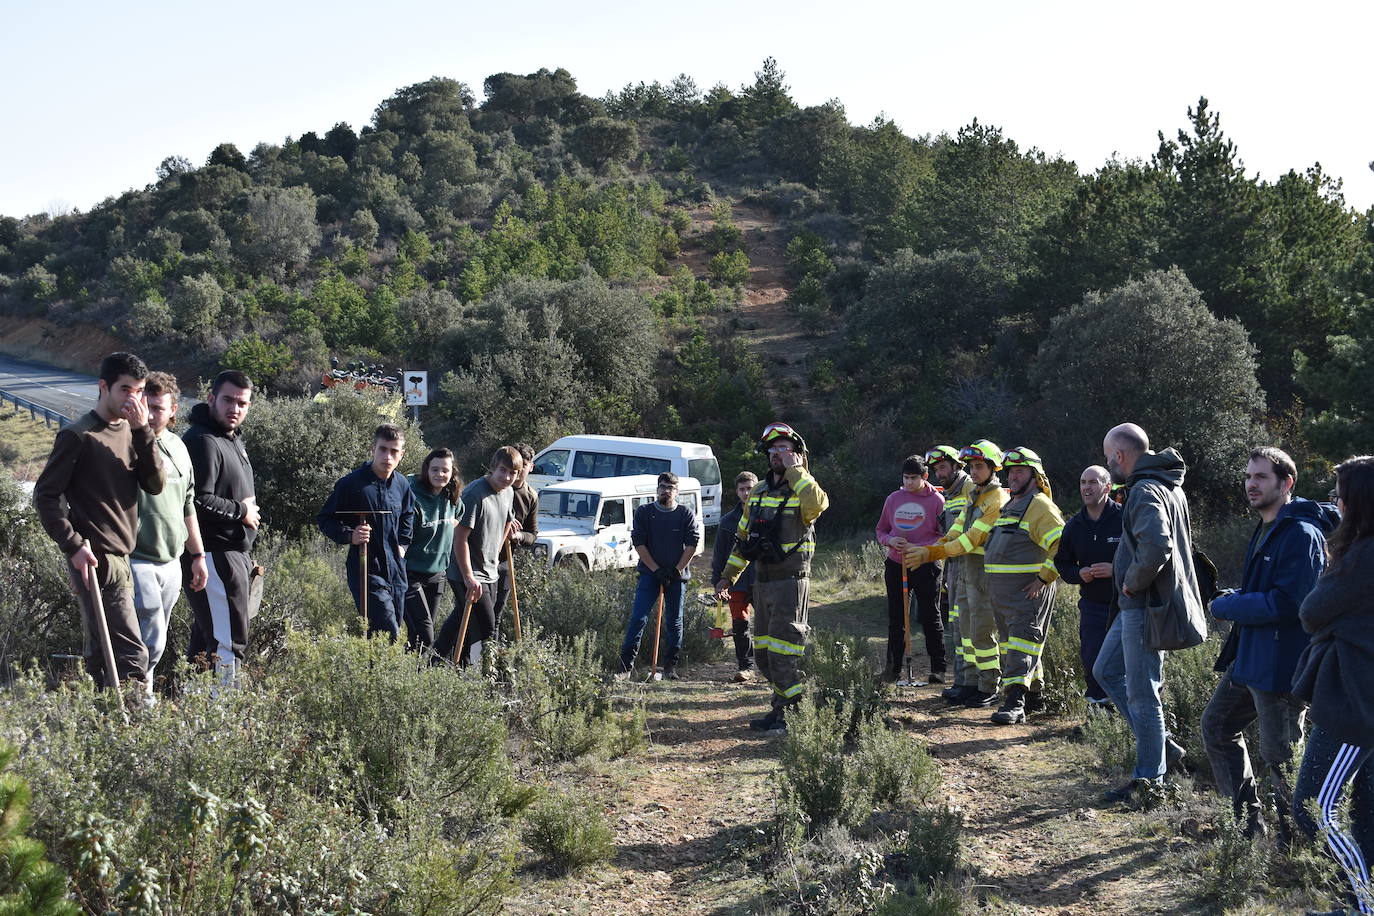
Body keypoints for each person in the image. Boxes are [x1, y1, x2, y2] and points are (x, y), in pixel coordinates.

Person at [1203, 447, 1337, 840]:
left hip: (1281, 667)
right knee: (1217, 726)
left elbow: (1291, 603)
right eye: (1248, 477)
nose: (1251, 484)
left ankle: (1296, 843)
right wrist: (1236, 594)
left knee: (1282, 760)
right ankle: (1247, 828)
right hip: (1251, 660)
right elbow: (1267, 589)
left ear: (1287, 483)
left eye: (1260, 477)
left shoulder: (1300, 533)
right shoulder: (1268, 526)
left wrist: (1229, 606)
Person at [33, 352, 165, 689]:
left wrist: (142, 430)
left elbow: (155, 484)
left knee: (101, 655)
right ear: (103, 386)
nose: (133, 399)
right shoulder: (78, 436)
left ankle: (97, 728)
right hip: (97, 557)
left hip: (125, 554)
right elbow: (45, 497)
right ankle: (133, 731)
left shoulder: (135, 432)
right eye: (125, 390)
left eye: (138, 391)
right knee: (132, 656)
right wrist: (74, 546)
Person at [1094, 422, 1204, 802]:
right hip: (1136, 606)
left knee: (1143, 694)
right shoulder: (1166, 485)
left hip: (1143, 605)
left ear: (1119, 455)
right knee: (1105, 670)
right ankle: (1164, 749)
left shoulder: (1144, 489)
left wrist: (1133, 580)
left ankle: (1148, 782)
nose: (1109, 464)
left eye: (1109, 457)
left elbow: (1157, 545)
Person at [1291, 455, 1374, 914]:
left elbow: (1311, 612)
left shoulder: (1363, 554)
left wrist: (1333, 562)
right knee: (1366, 813)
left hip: (1353, 701)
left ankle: (1362, 907)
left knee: (1313, 809)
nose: (1334, 503)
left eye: (1339, 494)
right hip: (1362, 697)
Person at [716, 422, 830, 736]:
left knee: (785, 654)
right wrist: (727, 577)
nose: (776, 454)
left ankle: (794, 718)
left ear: (797, 454)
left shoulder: (803, 485)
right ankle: (780, 708)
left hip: (790, 583)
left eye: (783, 448)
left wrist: (797, 472)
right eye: (773, 449)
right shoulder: (760, 492)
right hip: (761, 582)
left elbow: (819, 505)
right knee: (765, 656)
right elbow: (743, 539)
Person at [906, 440, 1008, 708]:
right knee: (965, 631)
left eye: (978, 467)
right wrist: (928, 549)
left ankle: (989, 687)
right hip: (964, 571)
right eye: (971, 467)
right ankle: (969, 683)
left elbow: (971, 540)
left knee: (983, 632)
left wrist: (931, 554)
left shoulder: (997, 499)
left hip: (983, 572)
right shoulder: (975, 495)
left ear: (992, 468)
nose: (973, 472)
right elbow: (955, 531)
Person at [129, 371, 208, 698]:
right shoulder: (127, 441)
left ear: (174, 410)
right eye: (146, 405)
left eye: (159, 408)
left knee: (155, 639)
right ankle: (136, 704)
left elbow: (188, 504)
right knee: (149, 638)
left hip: (172, 561)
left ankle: (135, 701)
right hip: (136, 558)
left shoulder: (178, 446)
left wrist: (198, 556)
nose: (150, 414)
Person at [183, 369, 258, 686]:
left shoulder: (230, 439)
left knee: (205, 644)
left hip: (232, 556)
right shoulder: (202, 441)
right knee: (228, 644)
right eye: (228, 400)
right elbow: (196, 500)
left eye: (242, 403)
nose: (235, 409)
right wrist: (241, 511)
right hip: (214, 555)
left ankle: (193, 718)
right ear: (211, 398)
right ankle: (226, 723)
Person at [979, 447, 1065, 724]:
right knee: (1017, 646)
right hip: (1004, 597)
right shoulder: (1012, 504)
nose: (1014, 477)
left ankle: (1014, 703)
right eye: (1012, 471)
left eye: (1020, 471)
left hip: (1028, 594)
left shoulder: (1040, 506)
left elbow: (1062, 547)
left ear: (1035, 476)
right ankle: (1035, 697)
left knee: (1019, 646)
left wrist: (1042, 579)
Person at [318, 424, 415, 640]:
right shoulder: (351, 484)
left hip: (396, 570)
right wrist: (349, 535)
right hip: (365, 569)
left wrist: (402, 545)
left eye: (394, 451)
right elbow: (325, 519)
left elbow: (409, 514)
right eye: (383, 449)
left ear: (402, 454)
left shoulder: (402, 484)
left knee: (388, 631)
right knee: (388, 628)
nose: (387, 456)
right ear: (373, 449)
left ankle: (374, 673)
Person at [433, 447, 522, 666]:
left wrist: (494, 551)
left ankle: (437, 663)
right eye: (502, 470)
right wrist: (469, 576)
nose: (507, 477)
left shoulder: (509, 492)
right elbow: (459, 538)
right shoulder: (475, 494)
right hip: (465, 572)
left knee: (460, 618)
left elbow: (508, 520)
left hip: (489, 570)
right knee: (487, 626)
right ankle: (487, 677)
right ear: (492, 468)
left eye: (513, 473)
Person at [618, 471, 703, 679]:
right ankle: (624, 668)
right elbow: (639, 543)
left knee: (674, 621)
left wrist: (676, 570)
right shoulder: (644, 513)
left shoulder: (685, 514)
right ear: (657, 489)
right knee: (638, 618)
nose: (666, 491)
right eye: (663, 487)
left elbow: (692, 544)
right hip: (650, 575)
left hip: (677, 577)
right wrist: (656, 569)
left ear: (677, 491)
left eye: (671, 488)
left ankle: (670, 668)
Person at [1053, 465, 1122, 710]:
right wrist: (1078, 574)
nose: (1086, 487)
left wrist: (1117, 571)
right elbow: (1062, 563)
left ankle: (1130, 716)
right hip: (1092, 606)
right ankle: (1098, 711)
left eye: (1093, 482)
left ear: (1107, 487)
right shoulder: (1074, 525)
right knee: (1092, 659)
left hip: (1126, 605)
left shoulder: (1125, 519)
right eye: (1083, 482)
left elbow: (1145, 560)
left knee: (1127, 663)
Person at [874, 454, 945, 683]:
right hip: (897, 564)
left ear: (925, 476)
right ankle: (893, 670)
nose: (908, 482)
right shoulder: (893, 498)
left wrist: (921, 548)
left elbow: (945, 536)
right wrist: (890, 541)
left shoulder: (937, 501)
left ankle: (938, 669)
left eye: (914, 478)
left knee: (929, 615)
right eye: (905, 478)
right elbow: (881, 530)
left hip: (926, 565)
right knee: (897, 617)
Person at [927, 445, 974, 701]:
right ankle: (963, 680)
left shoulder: (969, 489)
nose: (938, 473)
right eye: (935, 469)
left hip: (971, 569)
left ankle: (974, 683)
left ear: (957, 465)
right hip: (955, 569)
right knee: (957, 626)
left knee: (970, 627)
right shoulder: (950, 493)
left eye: (943, 467)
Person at [403, 448, 462, 653]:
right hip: (410, 575)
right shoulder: (414, 498)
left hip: (437, 575)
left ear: (452, 472)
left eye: (445, 470)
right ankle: (406, 674)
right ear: (427, 470)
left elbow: (458, 516)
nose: (440, 474)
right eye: (435, 469)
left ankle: (413, 675)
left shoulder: (451, 497)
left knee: (419, 636)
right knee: (425, 635)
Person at [711, 471, 759, 682]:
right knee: (740, 624)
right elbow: (720, 554)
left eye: (750, 488)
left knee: (769, 625)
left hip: (762, 580)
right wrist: (717, 582)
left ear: (757, 489)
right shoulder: (727, 521)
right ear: (736, 491)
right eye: (742, 489)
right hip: (736, 582)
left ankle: (774, 668)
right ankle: (746, 666)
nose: (746, 492)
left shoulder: (767, 516)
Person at [492, 442, 538, 637]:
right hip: (483, 560)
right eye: (511, 467)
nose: (516, 472)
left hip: (505, 561)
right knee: (473, 613)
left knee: (496, 615)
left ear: (530, 467)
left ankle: (487, 662)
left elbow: (532, 535)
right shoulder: (495, 487)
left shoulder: (531, 496)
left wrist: (517, 536)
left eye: (522, 466)